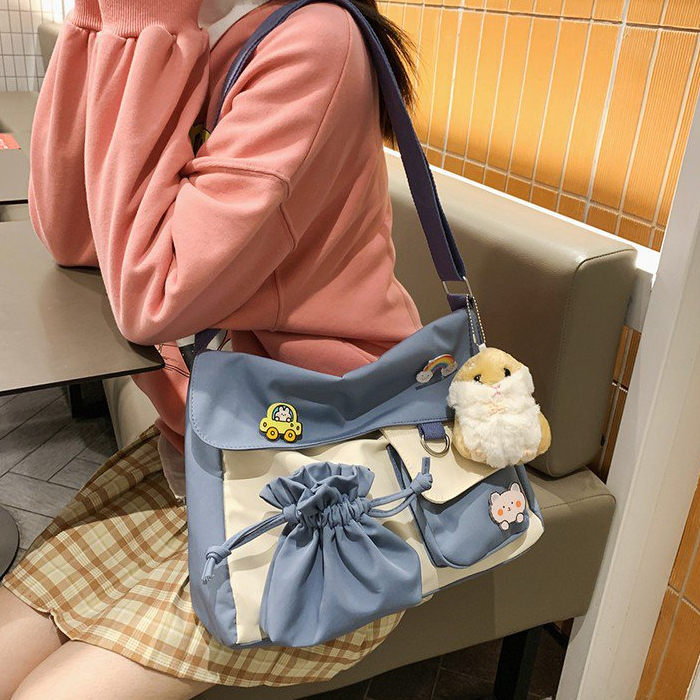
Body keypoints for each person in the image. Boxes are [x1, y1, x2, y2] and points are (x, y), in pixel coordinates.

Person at [0, 0, 422, 698]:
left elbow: (155, 296)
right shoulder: (181, 25)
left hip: (323, 467)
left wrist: (145, 28)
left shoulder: (315, 40)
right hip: (203, 450)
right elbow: (72, 236)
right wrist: (105, 25)